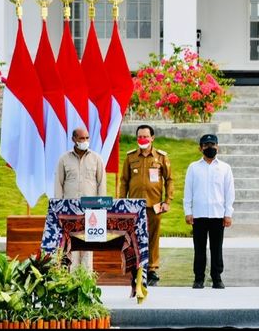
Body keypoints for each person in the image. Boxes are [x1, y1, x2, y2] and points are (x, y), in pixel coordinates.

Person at [118, 124, 175, 286]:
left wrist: (167, 201)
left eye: (145, 136)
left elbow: (169, 180)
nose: (142, 139)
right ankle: (136, 268)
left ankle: (151, 269)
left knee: (153, 237)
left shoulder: (161, 157)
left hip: (154, 205)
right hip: (134, 207)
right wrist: (122, 201)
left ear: (152, 138)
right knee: (134, 238)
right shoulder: (130, 157)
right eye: (139, 136)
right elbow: (124, 181)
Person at [183, 134, 235, 289]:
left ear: (217, 147)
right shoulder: (193, 167)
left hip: (218, 214)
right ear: (201, 148)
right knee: (199, 248)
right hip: (199, 215)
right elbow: (188, 191)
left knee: (216, 248)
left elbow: (229, 192)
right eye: (206, 145)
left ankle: (217, 278)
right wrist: (188, 211)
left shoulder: (225, 168)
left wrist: (228, 214)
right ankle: (198, 278)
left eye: (212, 144)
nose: (210, 148)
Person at [54, 126, 107, 271]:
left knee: (87, 249)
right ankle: (72, 282)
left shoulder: (96, 159)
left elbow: (101, 184)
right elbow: (58, 183)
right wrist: (59, 208)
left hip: (91, 212)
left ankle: (86, 281)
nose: (85, 141)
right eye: (81, 138)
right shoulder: (64, 159)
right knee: (71, 248)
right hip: (70, 212)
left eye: (87, 138)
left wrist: (101, 209)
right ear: (74, 139)